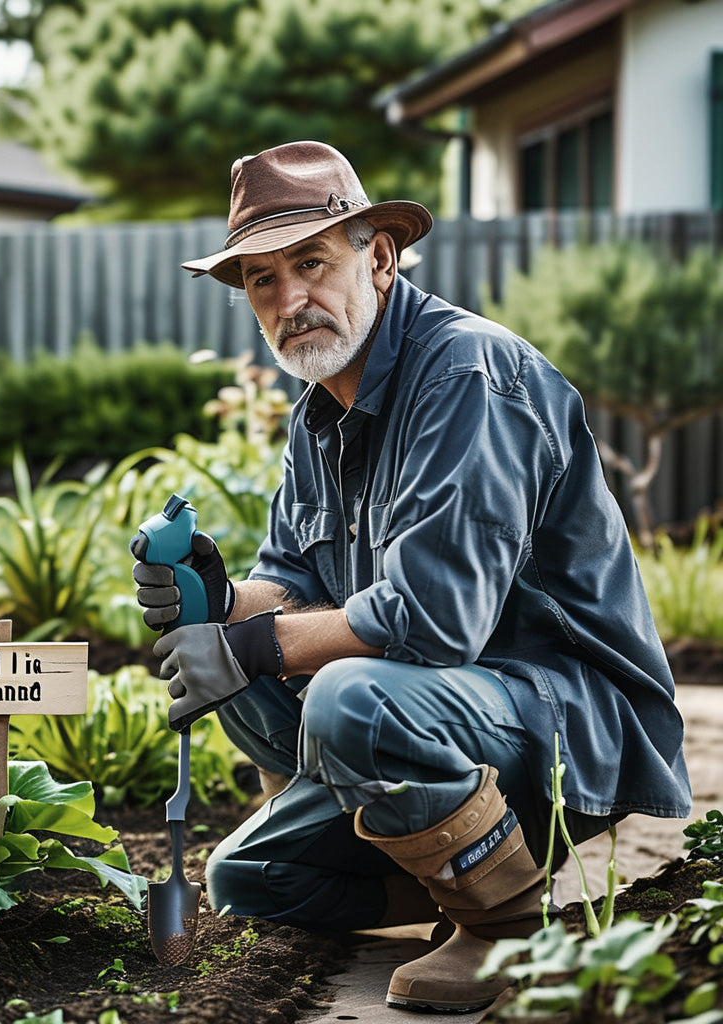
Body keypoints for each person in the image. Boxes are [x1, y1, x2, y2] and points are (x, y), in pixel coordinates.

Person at [129, 140, 691, 1013]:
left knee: (346, 695)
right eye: (263, 281)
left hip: (564, 720)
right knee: (250, 877)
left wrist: (251, 644)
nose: (289, 300)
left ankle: (506, 930)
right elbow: (292, 583)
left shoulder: (468, 374)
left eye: (311, 263)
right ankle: (457, 874)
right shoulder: (320, 414)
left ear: (380, 257)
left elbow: (432, 619)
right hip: (444, 710)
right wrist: (222, 599)